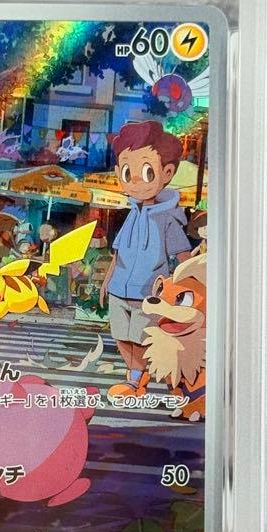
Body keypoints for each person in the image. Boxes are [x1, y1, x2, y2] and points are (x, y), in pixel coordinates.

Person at [99, 120, 191, 399]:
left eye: (147, 171)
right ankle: (135, 377)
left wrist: (183, 291)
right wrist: (106, 282)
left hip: (148, 293)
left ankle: (139, 380)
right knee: (120, 335)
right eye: (128, 172)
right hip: (119, 288)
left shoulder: (168, 218)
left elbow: (183, 257)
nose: (136, 181)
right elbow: (118, 253)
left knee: (141, 338)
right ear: (119, 173)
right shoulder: (131, 213)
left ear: (167, 172)